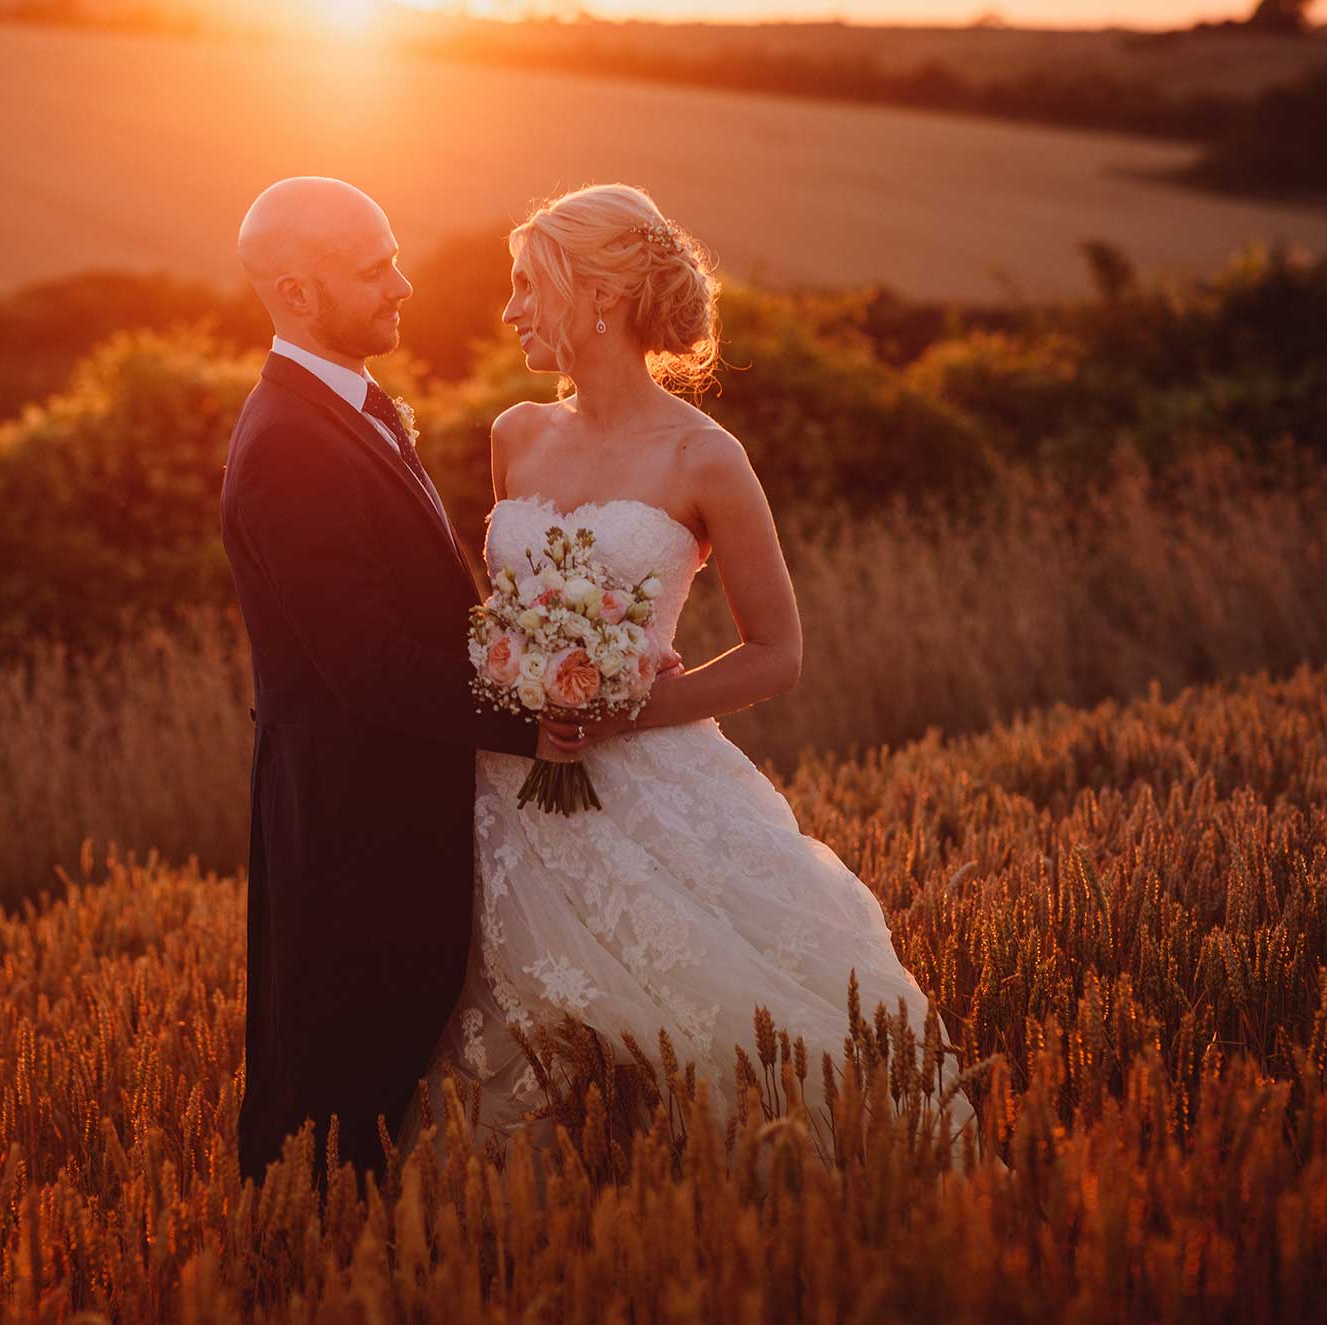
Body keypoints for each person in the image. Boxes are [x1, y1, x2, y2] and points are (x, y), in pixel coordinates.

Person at [408, 183, 981, 1168]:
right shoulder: (514, 435)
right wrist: (523, 689)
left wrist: (621, 707)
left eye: (523, 286)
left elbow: (776, 652)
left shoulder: (704, 457)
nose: (505, 314)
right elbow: (504, 606)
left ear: (595, 296)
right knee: (514, 1037)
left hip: (646, 784)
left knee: (707, 1038)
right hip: (507, 800)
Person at [219, 176, 586, 1186]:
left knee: (376, 1098)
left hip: (400, 814)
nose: (402, 282)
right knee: (334, 1103)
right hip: (355, 836)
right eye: (372, 266)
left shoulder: (344, 410)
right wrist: (540, 715)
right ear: (295, 292)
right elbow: (369, 669)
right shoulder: (290, 444)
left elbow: (418, 619)